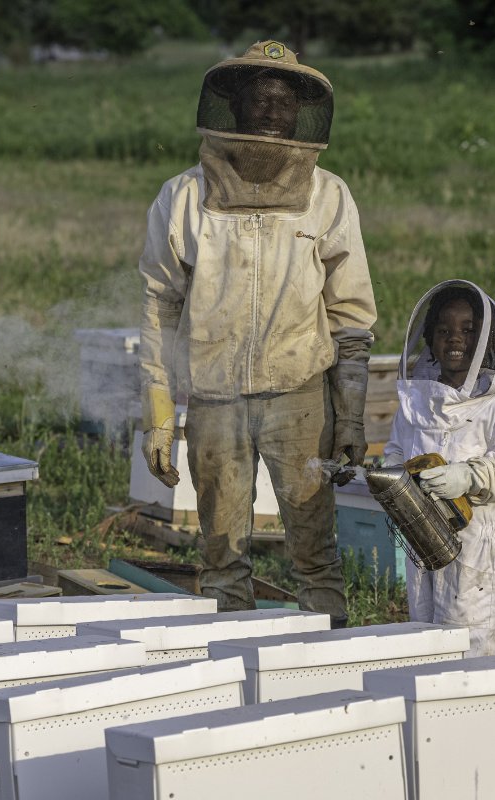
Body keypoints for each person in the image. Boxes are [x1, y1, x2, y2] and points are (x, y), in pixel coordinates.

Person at [137, 42, 377, 627]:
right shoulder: (184, 196)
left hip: (301, 400)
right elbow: (158, 308)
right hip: (215, 401)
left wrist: (348, 417)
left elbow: (351, 316)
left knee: (313, 557)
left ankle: (328, 673)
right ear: (234, 107)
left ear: (301, 115)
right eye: (258, 98)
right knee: (221, 558)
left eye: (283, 100)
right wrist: (160, 416)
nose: (270, 111)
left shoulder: (329, 195)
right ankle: (236, 684)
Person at [384, 280, 495, 657]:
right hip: (423, 546)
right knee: (425, 641)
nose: (455, 339)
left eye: (468, 331)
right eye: (444, 330)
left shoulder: (494, 406)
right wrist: (392, 480)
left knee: (474, 644)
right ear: (430, 339)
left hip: (477, 554)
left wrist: (470, 476)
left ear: (485, 341)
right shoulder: (417, 403)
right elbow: (393, 452)